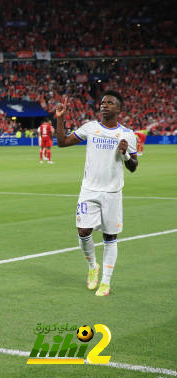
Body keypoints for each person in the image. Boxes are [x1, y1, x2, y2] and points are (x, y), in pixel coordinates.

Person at [55, 90, 138, 296]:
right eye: (102, 102)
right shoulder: (90, 128)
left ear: (119, 109)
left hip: (112, 193)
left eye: (109, 103)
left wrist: (126, 152)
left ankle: (106, 283)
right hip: (89, 190)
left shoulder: (127, 134)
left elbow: (134, 166)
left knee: (110, 237)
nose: (104, 105)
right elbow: (62, 142)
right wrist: (60, 119)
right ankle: (93, 267)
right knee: (83, 233)